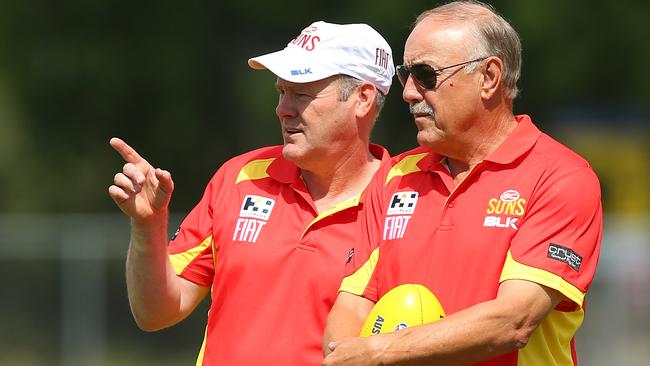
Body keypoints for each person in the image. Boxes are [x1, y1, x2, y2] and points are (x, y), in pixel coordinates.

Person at [322, 2, 603, 366]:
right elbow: (352, 307)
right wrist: (346, 353)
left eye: (425, 74)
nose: (408, 92)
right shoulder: (394, 177)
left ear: (489, 77)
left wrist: (379, 352)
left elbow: (513, 322)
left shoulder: (560, 176)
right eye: (404, 74)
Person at [108, 21, 395, 365]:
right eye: (281, 91)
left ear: (362, 99)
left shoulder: (405, 201)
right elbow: (156, 313)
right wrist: (147, 226)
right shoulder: (241, 176)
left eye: (302, 93)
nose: (283, 108)